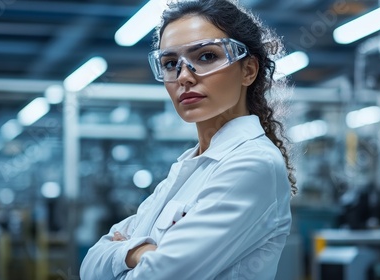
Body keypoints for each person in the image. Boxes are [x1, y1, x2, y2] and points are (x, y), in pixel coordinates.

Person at [80, 0, 296, 279]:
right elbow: (89, 266)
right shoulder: (187, 167)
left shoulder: (253, 163)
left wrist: (126, 254)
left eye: (206, 57)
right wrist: (138, 254)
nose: (184, 76)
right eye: (171, 63)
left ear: (248, 70)